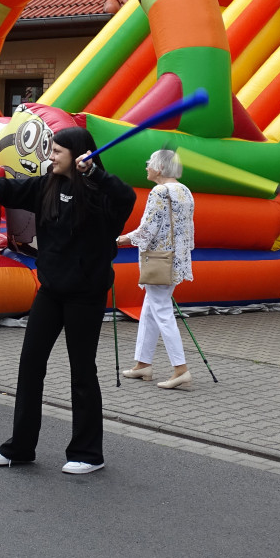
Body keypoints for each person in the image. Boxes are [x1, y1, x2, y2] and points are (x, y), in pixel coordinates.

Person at [0, 126, 136, 475]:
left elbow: (126, 198)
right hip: (51, 290)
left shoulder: (99, 191)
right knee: (30, 366)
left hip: (86, 294)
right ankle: (21, 447)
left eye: (57, 151)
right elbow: (9, 186)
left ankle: (88, 453)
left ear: (78, 155)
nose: (50, 156)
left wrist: (96, 173)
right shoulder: (46, 185)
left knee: (82, 371)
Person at [117, 149, 195, 389]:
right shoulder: (185, 191)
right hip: (176, 260)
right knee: (150, 309)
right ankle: (143, 364)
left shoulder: (159, 192)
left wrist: (118, 240)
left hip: (158, 260)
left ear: (159, 168)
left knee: (160, 311)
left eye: (149, 162)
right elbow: (188, 229)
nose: (146, 166)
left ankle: (180, 369)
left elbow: (146, 230)